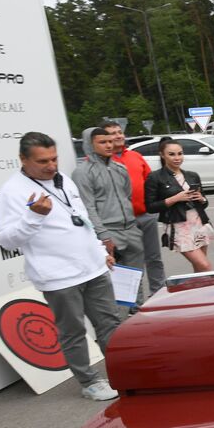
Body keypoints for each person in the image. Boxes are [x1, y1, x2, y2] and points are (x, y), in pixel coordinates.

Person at [0, 132, 121, 401]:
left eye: (54, 158)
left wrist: (99, 251)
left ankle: (122, 372)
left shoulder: (63, 179)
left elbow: (81, 219)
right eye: (42, 161)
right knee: (73, 331)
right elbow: (7, 239)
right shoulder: (12, 191)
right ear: (23, 159)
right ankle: (89, 382)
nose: (51, 166)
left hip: (93, 267)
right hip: (58, 277)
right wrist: (33, 216)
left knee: (110, 322)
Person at [72, 126, 144, 308]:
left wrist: (132, 224)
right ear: (90, 144)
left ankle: (139, 315)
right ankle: (119, 325)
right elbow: (87, 206)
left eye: (110, 141)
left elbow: (126, 195)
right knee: (114, 283)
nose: (109, 145)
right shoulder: (83, 172)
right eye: (102, 142)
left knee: (136, 278)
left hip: (130, 229)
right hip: (108, 232)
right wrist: (103, 234)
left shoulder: (120, 167)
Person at [105, 121, 165, 295]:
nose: (118, 136)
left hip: (145, 216)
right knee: (129, 264)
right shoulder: (101, 162)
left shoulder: (135, 156)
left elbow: (150, 183)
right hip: (121, 224)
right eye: (113, 133)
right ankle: (132, 302)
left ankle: (159, 293)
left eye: (119, 132)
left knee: (154, 258)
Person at [144, 137, 214, 271]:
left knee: (200, 267)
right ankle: (205, 290)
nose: (177, 158)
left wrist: (201, 199)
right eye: (171, 154)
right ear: (162, 155)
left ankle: (199, 291)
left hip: (198, 222)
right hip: (177, 225)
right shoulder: (155, 177)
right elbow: (150, 207)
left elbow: (204, 203)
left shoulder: (192, 175)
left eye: (180, 153)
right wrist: (175, 198)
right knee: (205, 266)